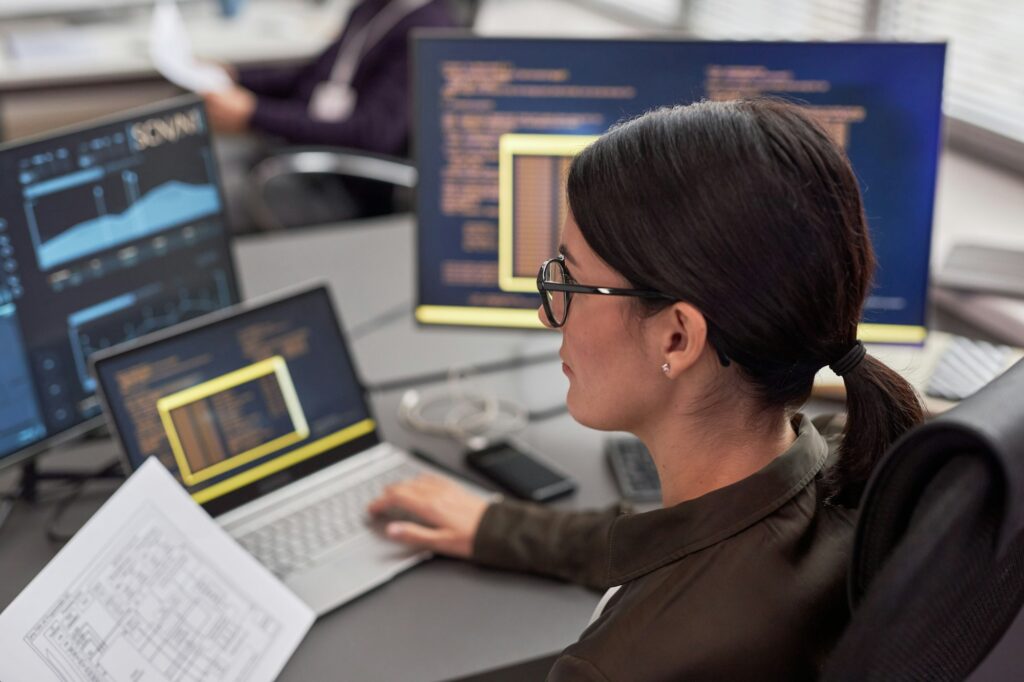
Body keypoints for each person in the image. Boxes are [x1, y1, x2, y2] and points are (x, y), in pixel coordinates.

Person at [367, 99, 925, 680]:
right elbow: (671, 538)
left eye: (570, 280)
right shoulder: (857, 468)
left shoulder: (615, 666)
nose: (546, 314)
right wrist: (497, 527)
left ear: (676, 338)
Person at [202, 0, 455, 229]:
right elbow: (312, 76)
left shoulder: (428, 27)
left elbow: (371, 134)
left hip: (339, 183)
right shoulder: (371, 8)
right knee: (203, 165)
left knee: (210, 199)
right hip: (299, 154)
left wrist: (255, 115)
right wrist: (235, 78)